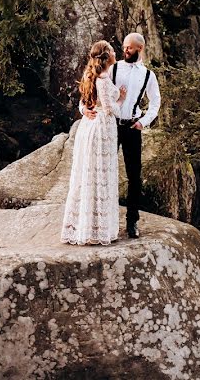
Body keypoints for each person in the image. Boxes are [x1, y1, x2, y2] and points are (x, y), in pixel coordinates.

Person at [81, 32, 161, 238]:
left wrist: (143, 122)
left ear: (139, 49)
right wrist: (83, 109)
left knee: (134, 176)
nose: (125, 50)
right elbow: (91, 91)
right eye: (124, 47)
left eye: (130, 48)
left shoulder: (148, 75)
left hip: (132, 127)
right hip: (109, 126)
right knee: (103, 172)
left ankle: (132, 221)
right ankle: (101, 221)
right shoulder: (112, 68)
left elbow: (155, 104)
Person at [61, 40, 128, 245]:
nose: (116, 52)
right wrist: (122, 98)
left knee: (88, 173)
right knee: (100, 173)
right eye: (112, 50)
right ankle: (97, 229)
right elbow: (110, 109)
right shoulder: (104, 78)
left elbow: (83, 101)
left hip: (88, 126)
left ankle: (85, 226)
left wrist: (84, 110)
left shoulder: (91, 74)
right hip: (101, 128)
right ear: (107, 56)